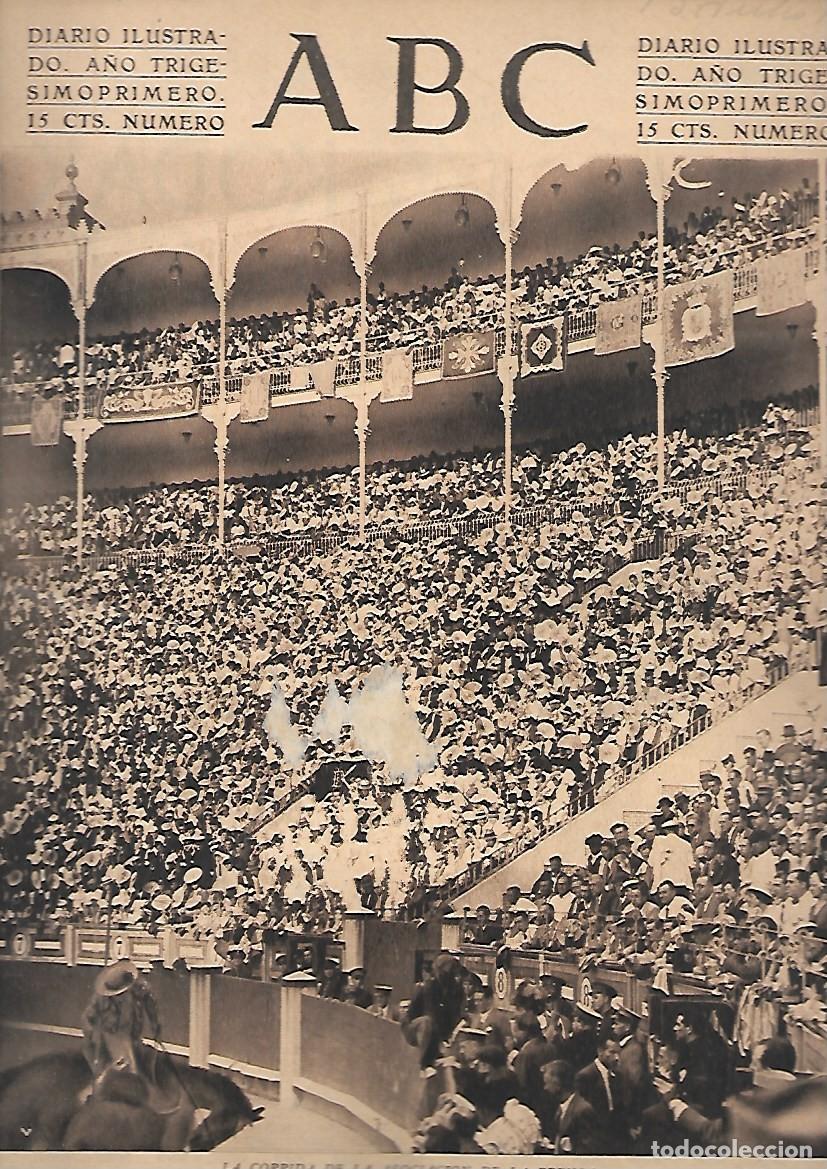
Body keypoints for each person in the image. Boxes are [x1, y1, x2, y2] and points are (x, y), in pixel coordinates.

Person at [81, 959, 161, 1079]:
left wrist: (155, 1027)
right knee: (103, 1074)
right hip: (108, 1038)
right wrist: (91, 1035)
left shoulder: (136, 992)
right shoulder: (100, 998)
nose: (119, 997)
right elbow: (87, 1018)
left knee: (137, 1071)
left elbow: (151, 1005)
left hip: (130, 1039)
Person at [402, 953, 465, 1070]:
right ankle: (423, 1064)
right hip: (415, 1028)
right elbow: (431, 1014)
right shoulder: (429, 987)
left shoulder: (455, 990)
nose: (453, 977)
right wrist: (440, 1042)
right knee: (427, 1022)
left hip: (438, 1033)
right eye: (449, 972)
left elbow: (455, 1015)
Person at [542, 1059, 606, 1155]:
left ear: (558, 1083)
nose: (545, 1088)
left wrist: (570, 1147)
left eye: (547, 1083)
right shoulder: (561, 1108)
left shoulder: (582, 1111)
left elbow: (588, 1151)